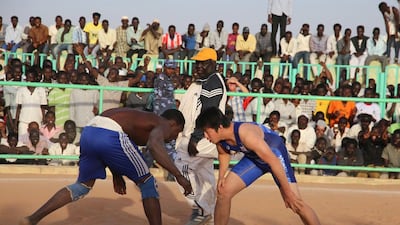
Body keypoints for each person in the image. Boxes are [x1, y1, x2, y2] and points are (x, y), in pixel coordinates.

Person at [19, 108, 192, 225]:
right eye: (177, 132)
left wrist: (116, 173)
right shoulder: (161, 123)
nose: (174, 137)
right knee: (148, 183)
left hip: (89, 131)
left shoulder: (137, 118)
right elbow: (154, 146)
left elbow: (116, 144)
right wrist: (178, 175)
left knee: (82, 186)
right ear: (174, 124)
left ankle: (32, 219)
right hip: (109, 134)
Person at [196, 106, 320, 225]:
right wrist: (221, 177)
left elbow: (273, 161)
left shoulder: (246, 134)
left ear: (220, 127)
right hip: (254, 158)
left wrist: (287, 191)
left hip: (275, 154)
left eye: (207, 132)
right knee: (223, 192)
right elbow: (224, 154)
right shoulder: (220, 140)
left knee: (296, 203)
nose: (205, 136)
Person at [174, 48, 227, 225]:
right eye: (197, 63)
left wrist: (195, 138)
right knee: (205, 177)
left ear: (213, 64)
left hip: (204, 137)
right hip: (201, 136)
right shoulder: (203, 81)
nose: (198, 66)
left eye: (203, 63)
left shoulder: (213, 82)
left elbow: (208, 112)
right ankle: (209, 215)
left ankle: (201, 209)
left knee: (180, 164)